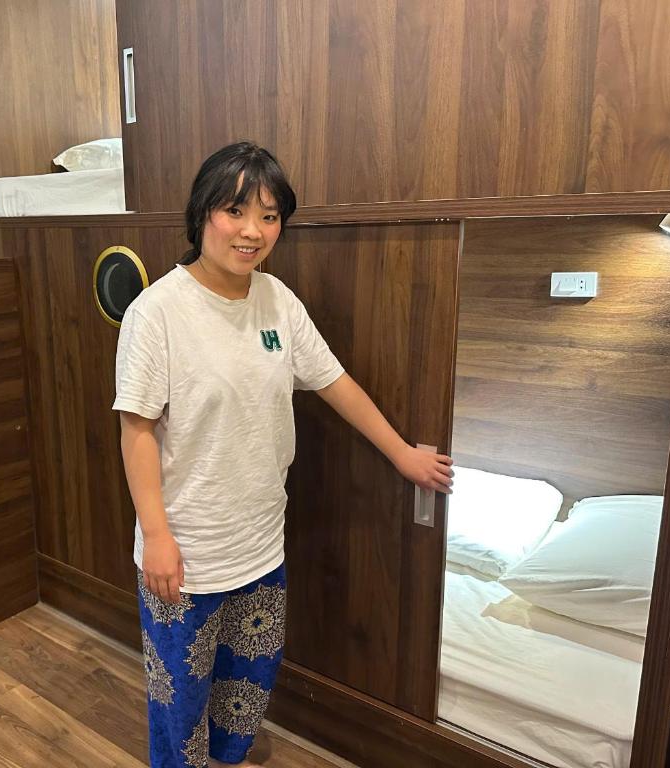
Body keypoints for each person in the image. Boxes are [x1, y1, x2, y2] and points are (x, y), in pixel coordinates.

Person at [113, 142, 453, 768]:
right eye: (235, 211)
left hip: (261, 545)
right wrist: (155, 535)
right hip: (186, 556)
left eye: (269, 216)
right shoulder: (156, 312)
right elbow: (136, 431)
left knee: (245, 693)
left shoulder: (276, 300)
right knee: (179, 707)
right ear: (202, 214)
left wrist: (402, 454)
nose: (252, 231)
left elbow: (334, 382)